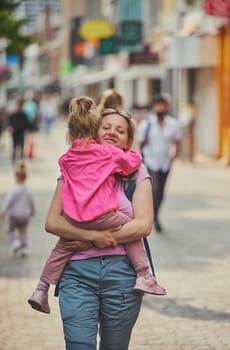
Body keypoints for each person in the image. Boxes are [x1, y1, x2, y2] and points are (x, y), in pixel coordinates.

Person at [28, 96, 166, 315]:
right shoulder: (108, 154)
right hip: (100, 218)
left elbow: (144, 225)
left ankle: (41, 288)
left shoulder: (68, 157)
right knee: (129, 226)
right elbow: (51, 222)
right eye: (107, 127)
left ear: (128, 138)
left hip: (75, 218)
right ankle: (144, 275)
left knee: (61, 248)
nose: (112, 132)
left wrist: (86, 237)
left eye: (120, 130)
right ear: (95, 131)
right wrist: (95, 238)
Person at [138, 95, 182, 233]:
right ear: (153, 107)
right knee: (155, 189)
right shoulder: (146, 125)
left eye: (162, 105)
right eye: (157, 105)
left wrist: (174, 156)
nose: (160, 108)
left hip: (165, 163)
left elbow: (177, 141)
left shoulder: (173, 124)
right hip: (151, 161)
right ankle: (153, 217)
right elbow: (140, 143)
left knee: (161, 192)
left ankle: (155, 214)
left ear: (166, 107)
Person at [0, 162, 35, 257]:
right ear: (25, 177)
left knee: (9, 228)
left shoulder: (14, 190)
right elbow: (31, 202)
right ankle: (24, 249)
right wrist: (32, 212)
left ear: (16, 177)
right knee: (23, 231)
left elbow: (8, 201)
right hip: (25, 215)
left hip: (14, 215)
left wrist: (2, 212)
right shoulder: (28, 190)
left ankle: (15, 242)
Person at [7, 96, 29, 163]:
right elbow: (9, 123)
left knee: (21, 147)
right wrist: (10, 128)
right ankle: (13, 161)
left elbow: (26, 124)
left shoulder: (23, 115)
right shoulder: (13, 115)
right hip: (15, 133)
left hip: (21, 132)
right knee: (14, 147)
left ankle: (21, 161)